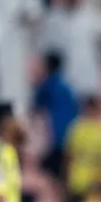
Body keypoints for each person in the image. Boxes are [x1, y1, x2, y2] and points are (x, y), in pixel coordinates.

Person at [39, 0, 101, 101]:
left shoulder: (92, 18)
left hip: (86, 73)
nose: (71, 0)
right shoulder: (54, 19)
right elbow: (45, 47)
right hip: (61, 76)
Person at [34, 52, 79, 181]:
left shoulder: (47, 86)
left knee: (51, 175)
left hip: (53, 137)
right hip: (69, 134)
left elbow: (37, 107)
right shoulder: (68, 88)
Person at [64, 97, 101, 200]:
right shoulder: (77, 128)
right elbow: (69, 155)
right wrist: (66, 179)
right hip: (79, 180)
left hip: (99, 181)